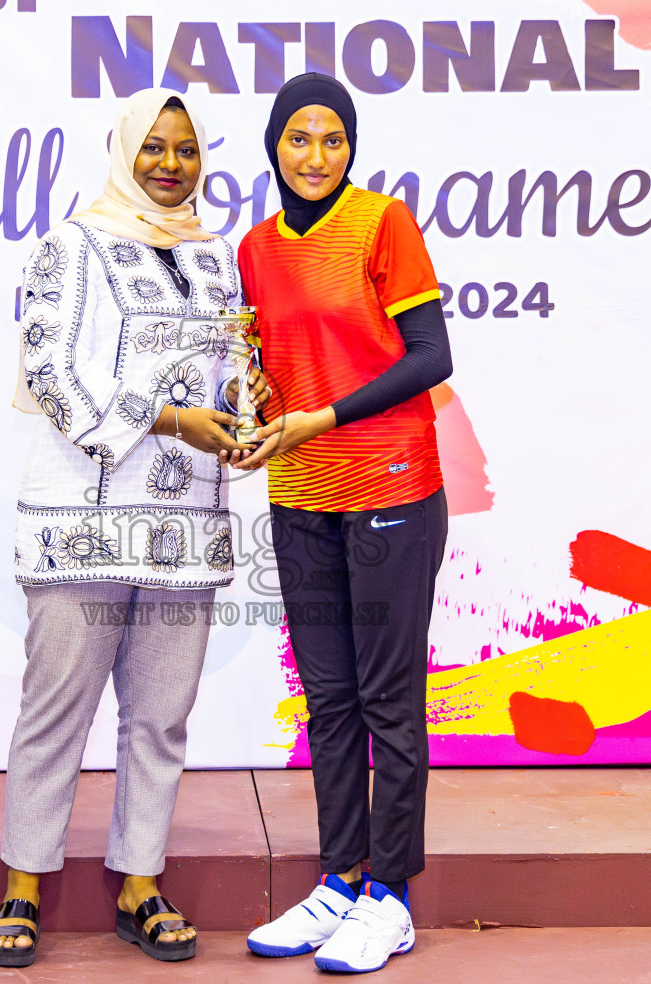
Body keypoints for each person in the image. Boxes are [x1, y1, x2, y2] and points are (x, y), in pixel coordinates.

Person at [0, 86, 267, 967]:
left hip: (185, 524)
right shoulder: (72, 244)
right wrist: (164, 419)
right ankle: (22, 887)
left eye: (185, 150)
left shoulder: (218, 257)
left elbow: (233, 365)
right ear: (122, 150)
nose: (170, 165)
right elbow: (53, 376)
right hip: (83, 518)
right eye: (154, 147)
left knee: (161, 716)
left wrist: (245, 412)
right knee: (55, 711)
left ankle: (139, 882)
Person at [236, 73, 452, 974]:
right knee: (327, 700)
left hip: (392, 488)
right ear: (273, 147)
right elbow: (273, 361)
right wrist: (260, 404)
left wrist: (322, 417)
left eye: (332, 138)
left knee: (386, 700)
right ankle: (340, 881)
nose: (316, 155)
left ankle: (391, 897)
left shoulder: (382, 224)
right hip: (299, 497)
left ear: (351, 146)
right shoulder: (253, 247)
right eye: (298, 138)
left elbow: (431, 355)